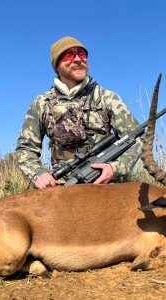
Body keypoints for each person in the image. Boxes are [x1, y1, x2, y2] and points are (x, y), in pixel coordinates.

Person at [15, 36, 143, 189]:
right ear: (57, 65)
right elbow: (25, 149)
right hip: (61, 187)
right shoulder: (42, 103)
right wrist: (38, 174)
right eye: (69, 55)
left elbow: (137, 138)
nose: (78, 59)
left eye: (82, 54)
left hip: (106, 185)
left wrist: (115, 168)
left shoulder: (108, 98)